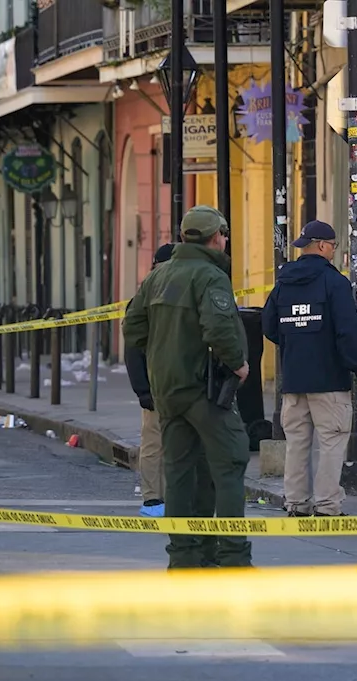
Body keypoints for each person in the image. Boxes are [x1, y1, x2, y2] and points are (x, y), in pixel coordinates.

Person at [123, 205, 253, 570]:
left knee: (179, 472)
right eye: (224, 236)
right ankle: (232, 555)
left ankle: (184, 556)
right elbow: (219, 329)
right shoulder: (210, 276)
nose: (225, 242)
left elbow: (132, 328)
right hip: (202, 388)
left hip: (167, 390)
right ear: (216, 238)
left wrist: (163, 353)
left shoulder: (158, 276)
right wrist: (238, 365)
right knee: (230, 461)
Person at [262, 220, 357, 517]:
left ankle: (296, 503)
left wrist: (294, 344)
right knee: (332, 443)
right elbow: (348, 335)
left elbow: (269, 325)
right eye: (334, 246)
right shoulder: (335, 283)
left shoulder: (283, 282)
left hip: (294, 380)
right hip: (329, 380)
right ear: (323, 246)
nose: (334, 252)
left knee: (297, 444)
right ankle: (327, 506)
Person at [127, 242, 176, 518]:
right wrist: (142, 390)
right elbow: (133, 348)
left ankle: (164, 497)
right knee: (156, 442)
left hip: (170, 383)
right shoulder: (146, 298)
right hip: (158, 384)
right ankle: (153, 498)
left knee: (167, 442)